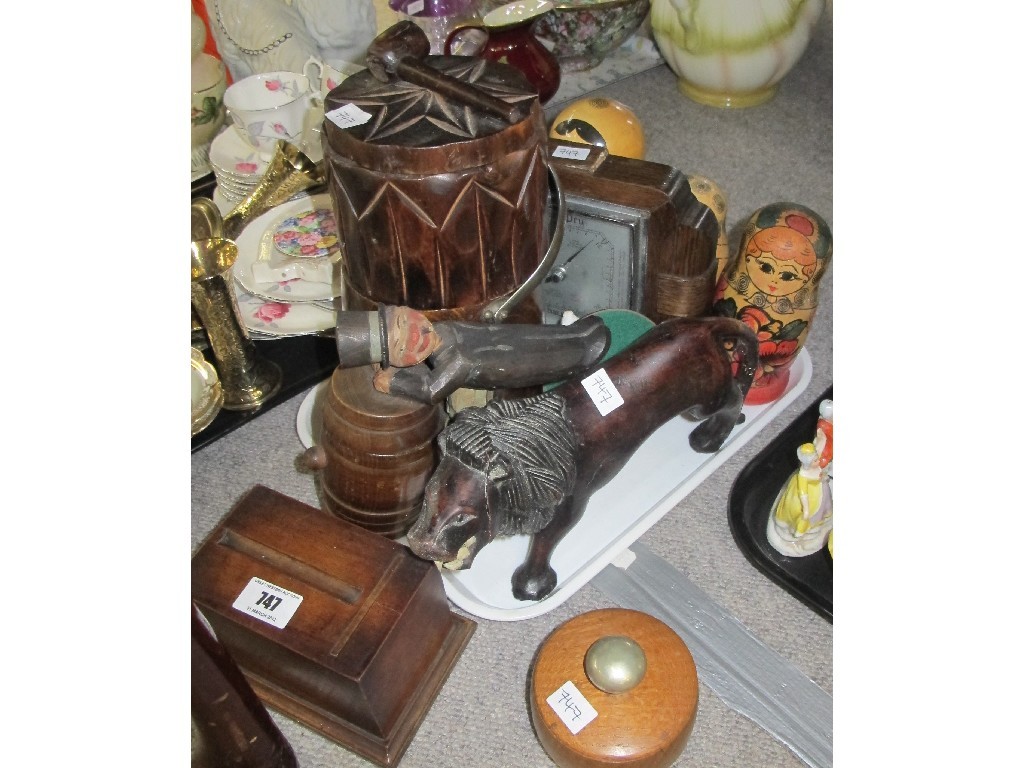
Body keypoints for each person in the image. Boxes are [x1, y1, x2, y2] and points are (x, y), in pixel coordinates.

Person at [766, 442, 832, 557]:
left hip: (821, 493)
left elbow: (821, 475)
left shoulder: (816, 468)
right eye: (815, 460)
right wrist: (806, 510)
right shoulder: (803, 476)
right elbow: (803, 494)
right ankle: (798, 531)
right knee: (807, 517)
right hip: (810, 501)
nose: (818, 461)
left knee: (824, 509)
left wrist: (824, 478)